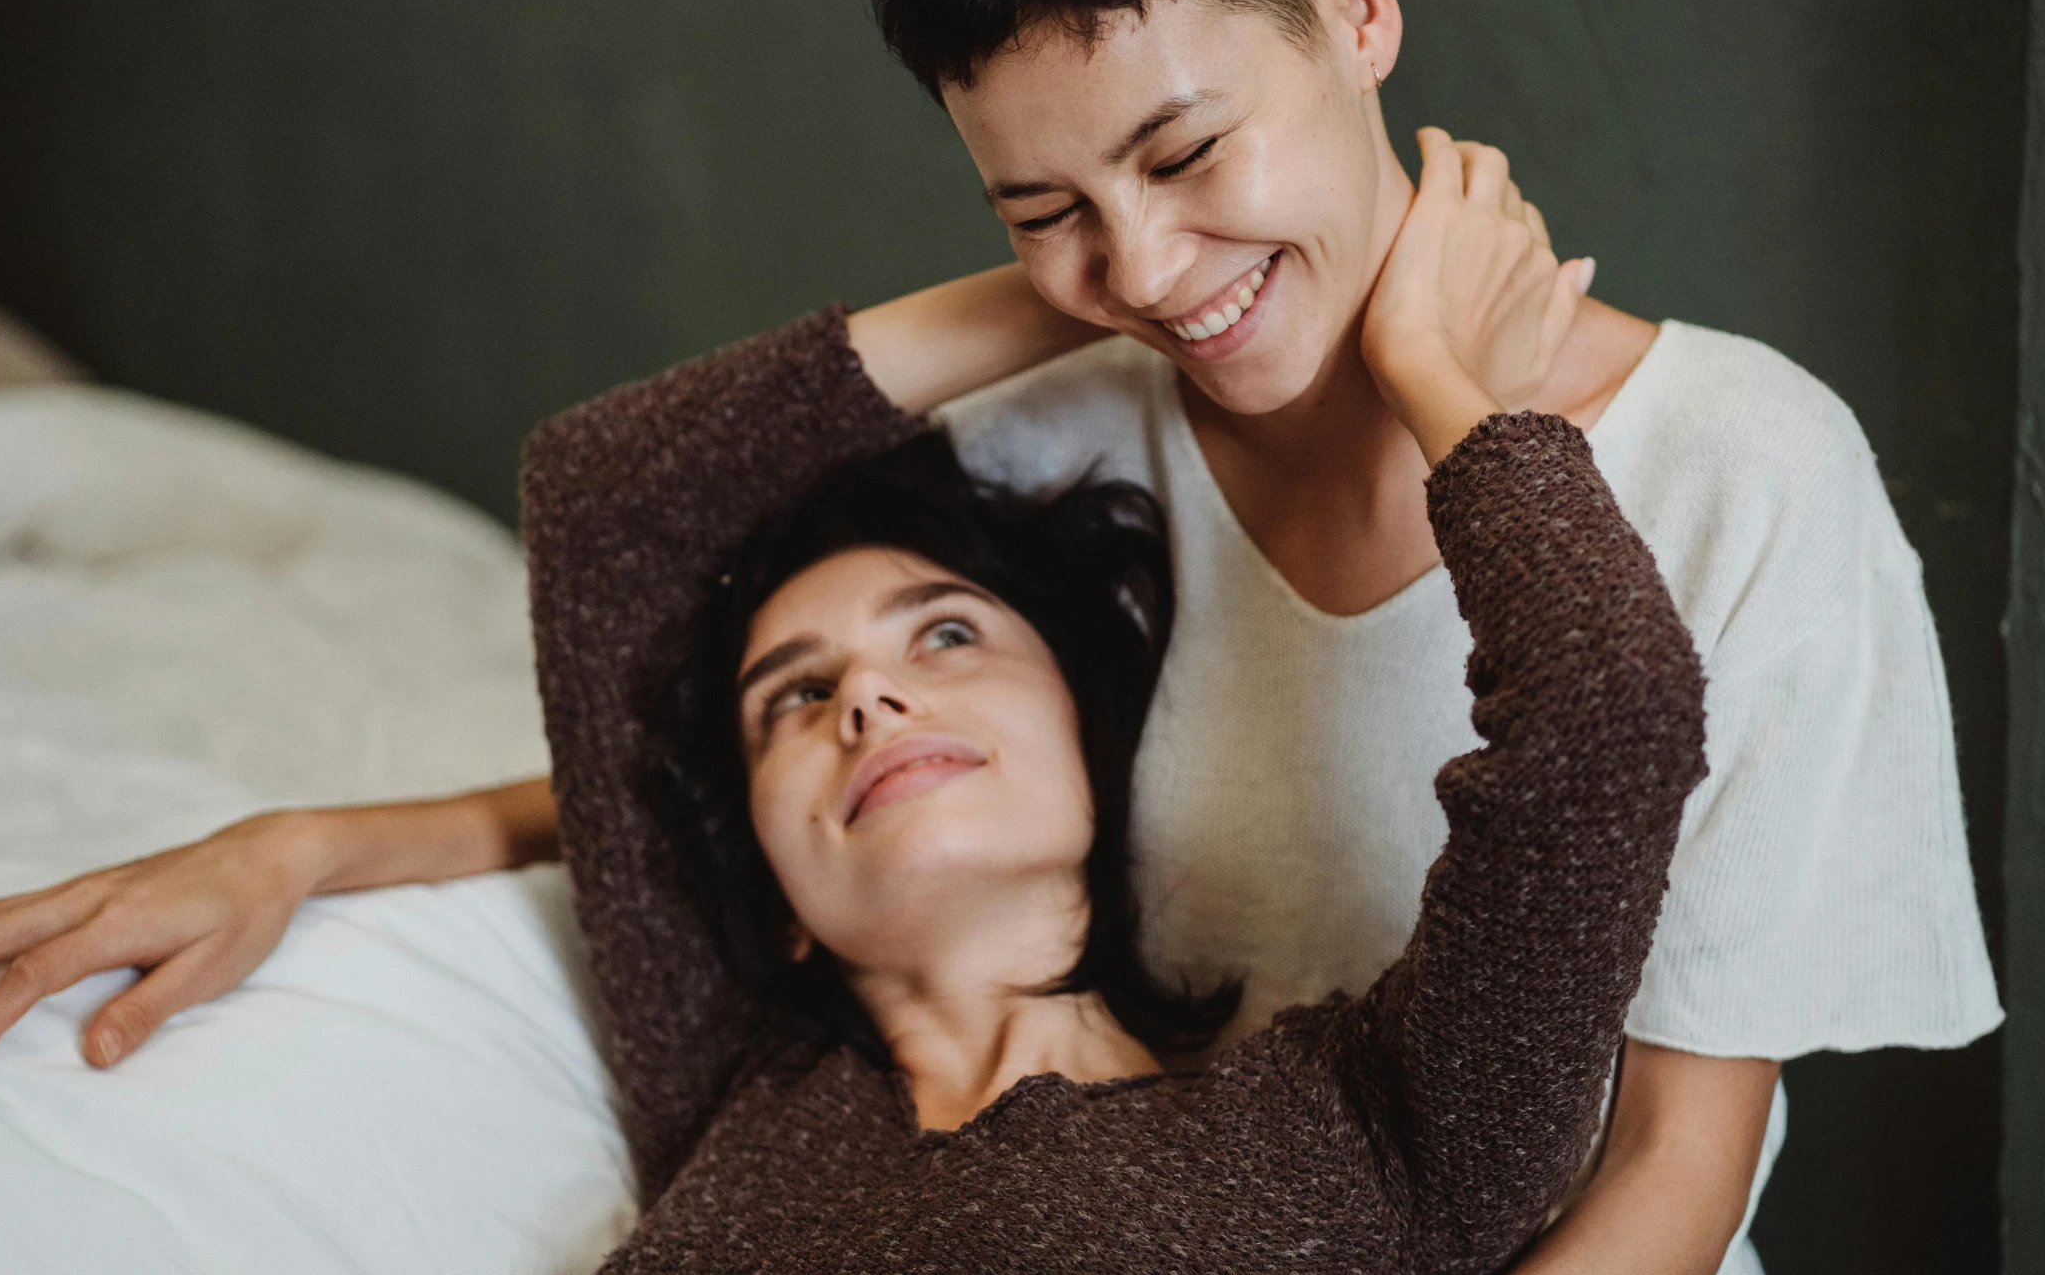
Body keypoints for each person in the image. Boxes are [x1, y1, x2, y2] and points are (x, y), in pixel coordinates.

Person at [0, 0, 1999, 1270]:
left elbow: (1665, 1171)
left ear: (1353, 6)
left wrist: (1446, 393)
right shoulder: (1073, 441)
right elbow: (694, 600)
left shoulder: (1736, 473)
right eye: (1035, 206)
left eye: (1180, 151)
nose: (1138, 267)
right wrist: (321, 843)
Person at [520, 260, 1709, 1270]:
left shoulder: (1361, 1137)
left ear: (1086, 747)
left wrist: (1432, 373)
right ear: (778, 898)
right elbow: (602, 505)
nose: (870, 697)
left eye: (945, 633)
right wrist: (1118, 285)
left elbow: (1608, 713)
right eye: (795, 695)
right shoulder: (731, 1082)